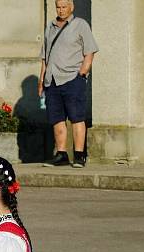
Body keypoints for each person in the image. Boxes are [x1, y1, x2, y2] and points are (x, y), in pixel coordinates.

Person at [39, 0, 98, 168]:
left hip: (72, 78)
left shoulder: (80, 25)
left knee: (77, 117)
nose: (61, 10)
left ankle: (79, 155)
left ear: (71, 7)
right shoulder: (50, 27)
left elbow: (90, 52)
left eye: (64, 6)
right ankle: (61, 154)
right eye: (58, 6)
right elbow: (45, 57)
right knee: (57, 119)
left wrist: (81, 75)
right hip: (52, 80)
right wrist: (41, 80)